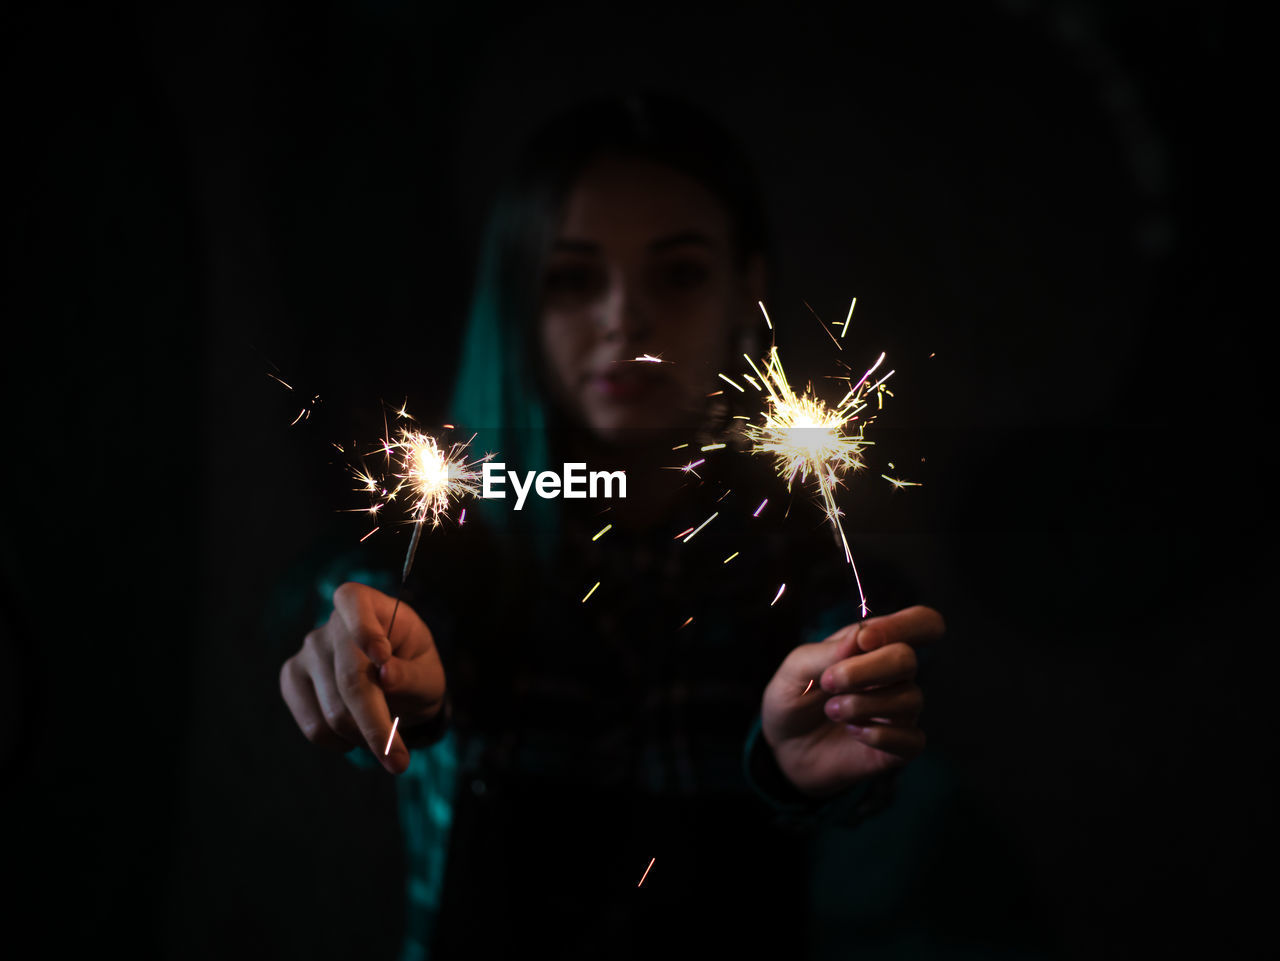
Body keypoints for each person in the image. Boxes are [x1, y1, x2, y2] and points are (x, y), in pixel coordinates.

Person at [279, 92, 947, 959]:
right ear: (519, 299)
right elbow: (386, 610)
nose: (625, 317)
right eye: (572, 276)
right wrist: (368, 654)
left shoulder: (812, 566)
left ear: (748, 288)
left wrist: (808, 746)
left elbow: (850, 687)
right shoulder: (455, 543)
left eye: (677, 272)